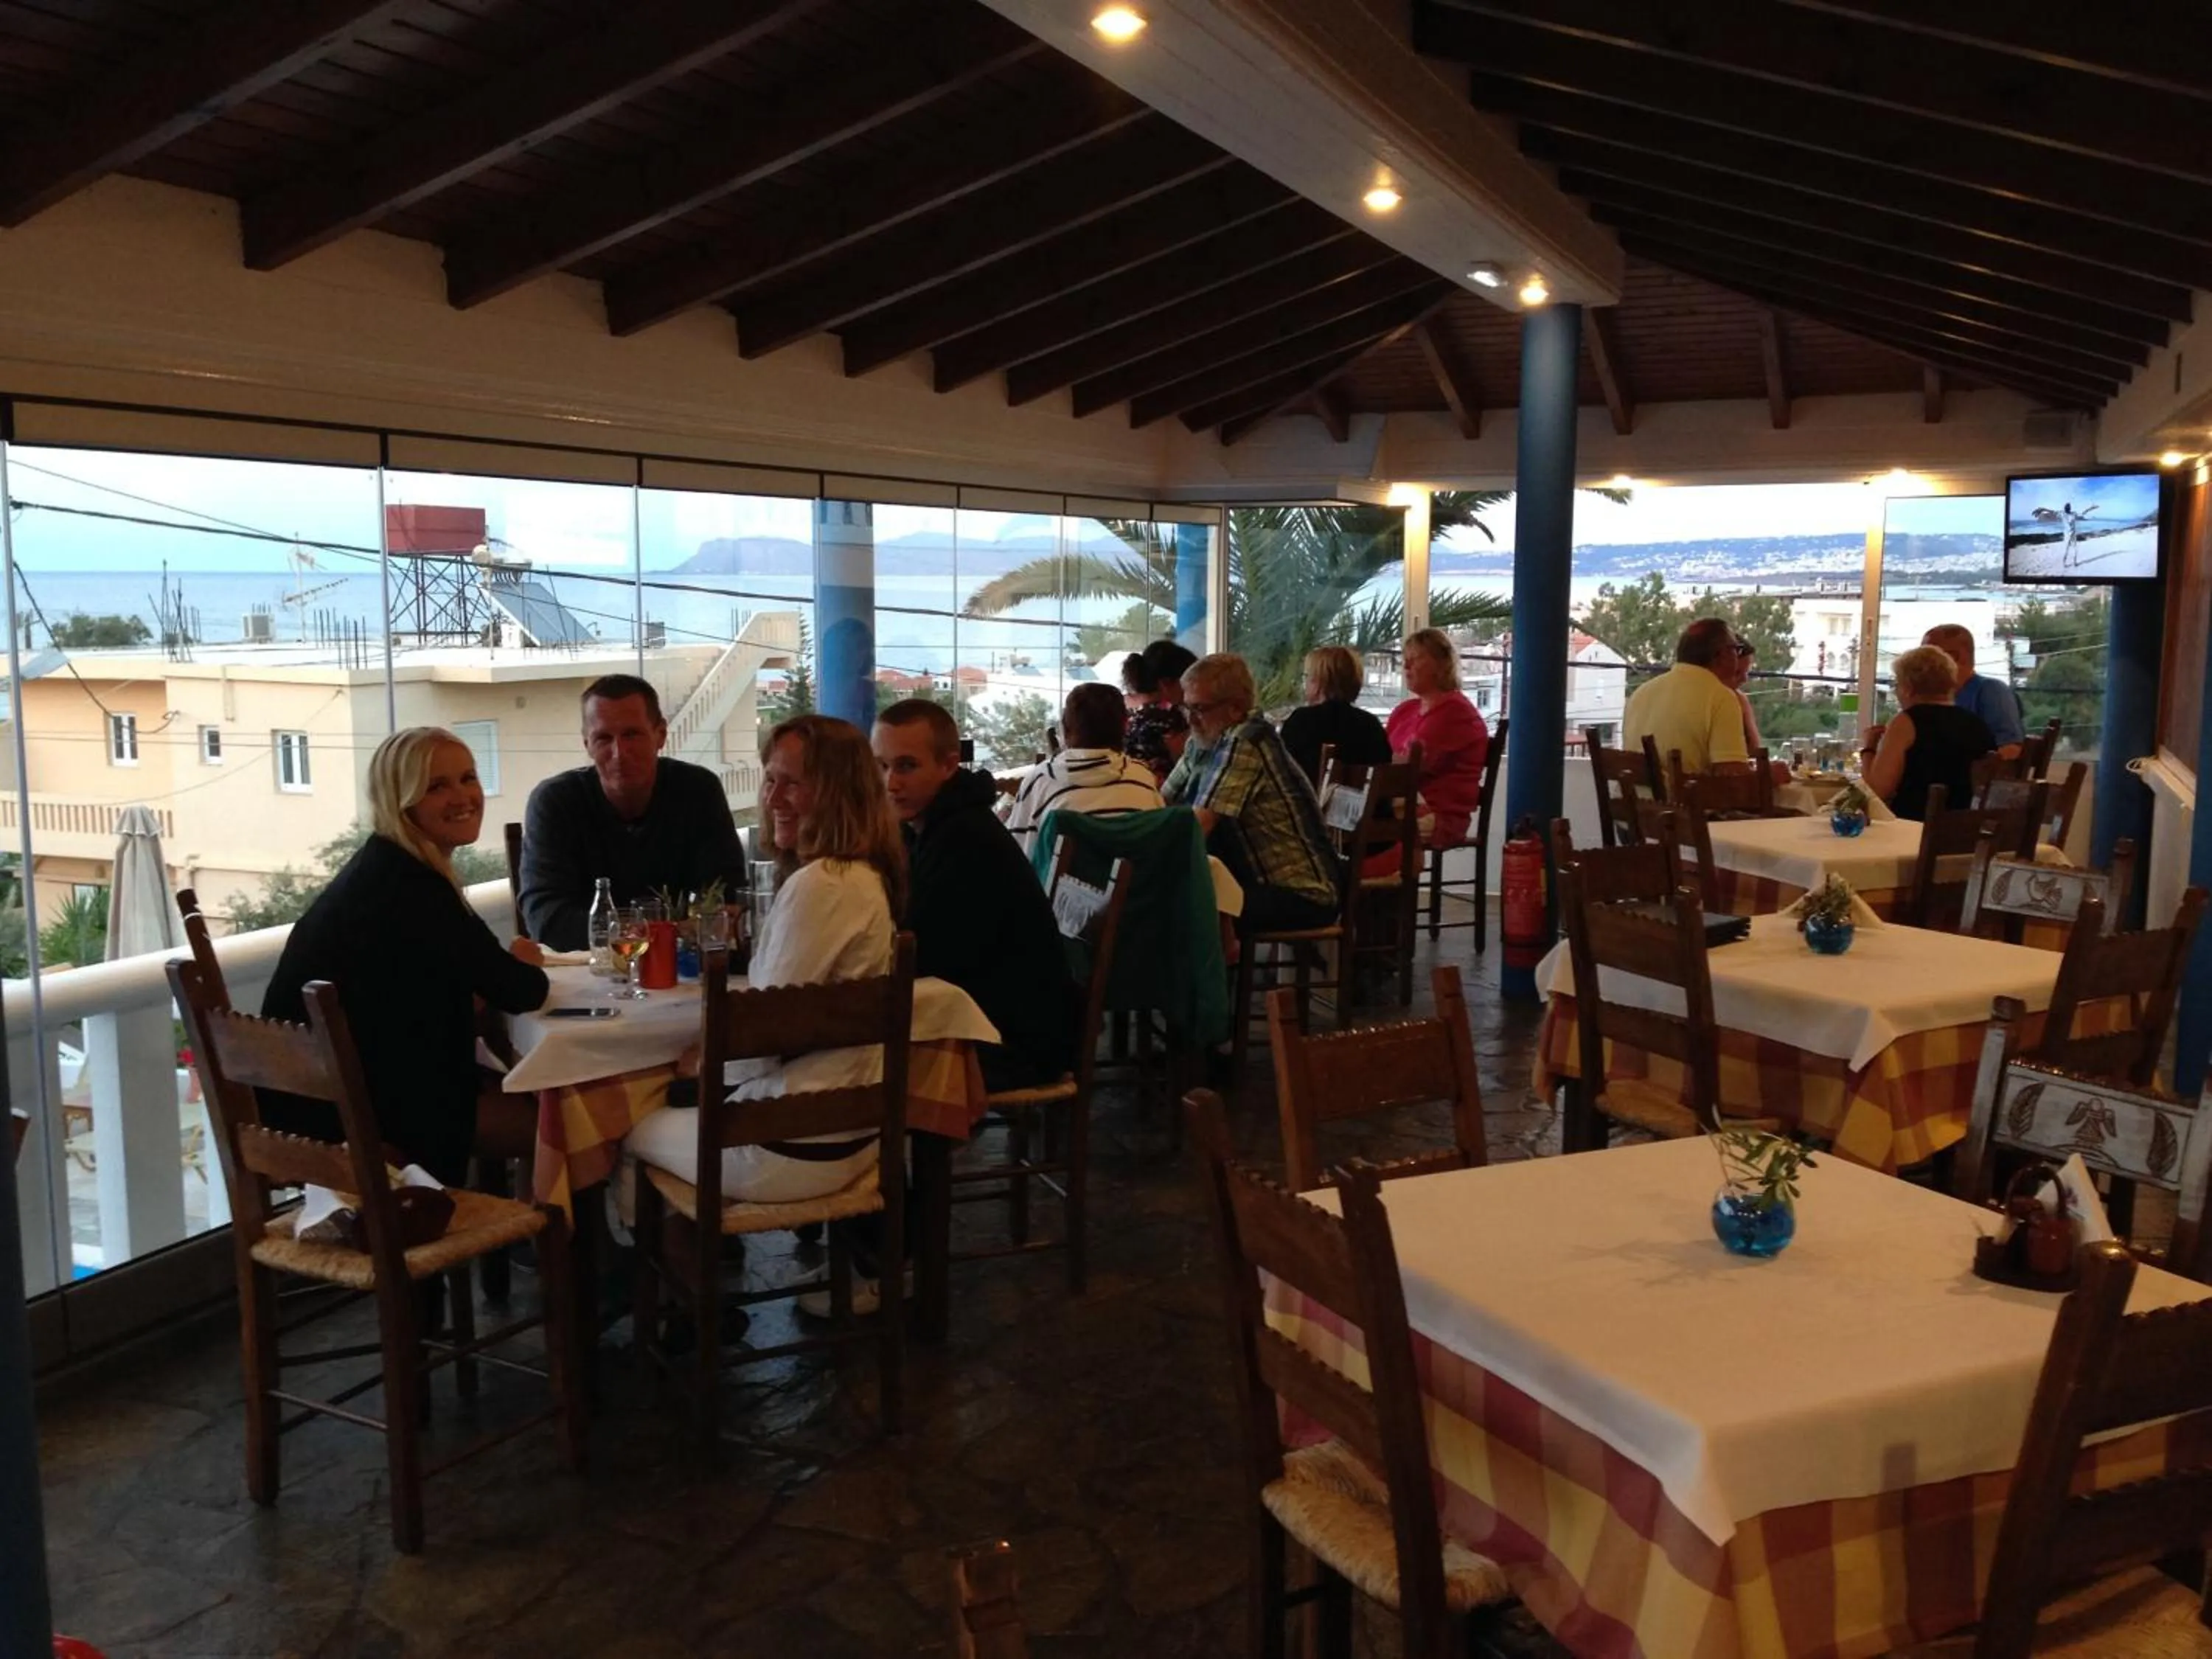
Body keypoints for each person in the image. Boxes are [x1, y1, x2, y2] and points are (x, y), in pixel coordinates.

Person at [625, 714, 905, 1208]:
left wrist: (706, 1059)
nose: (773, 798)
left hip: (790, 1143)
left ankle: (660, 1268)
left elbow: (759, 1041)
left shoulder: (822, 884)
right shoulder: (866, 876)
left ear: (839, 793)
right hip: (855, 1135)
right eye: (770, 779)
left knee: (623, 1124)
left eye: (792, 783)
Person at [261, 727, 548, 1185]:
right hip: (364, 1128)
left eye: (468, 778)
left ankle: (525, 1242)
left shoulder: (378, 868)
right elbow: (522, 990)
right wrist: (527, 962)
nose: (464, 796)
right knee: (568, 1124)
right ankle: (556, 1246)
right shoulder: (415, 888)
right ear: (402, 801)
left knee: (534, 1094)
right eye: (437, 786)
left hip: (314, 1112)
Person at [873, 698, 1078, 1092]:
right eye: (881, 766)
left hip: (1014, 1045)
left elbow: (926, 955)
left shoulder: (964, 838)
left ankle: (900, 1153)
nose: (890, 783)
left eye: (906, 766)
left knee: (853, 1064)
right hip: (989, 1023)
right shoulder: (924, 825)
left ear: (948, 766)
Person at [518, 673, 748, 950]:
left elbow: (727, 903)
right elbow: (547, 920)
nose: (619, 752)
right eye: (603, 738)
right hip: (592, 980)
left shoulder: (698, 791)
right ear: (587, 745)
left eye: (632, 735)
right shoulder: (556, 802)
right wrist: (663, 931)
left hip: (684, 974)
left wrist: (623, 931)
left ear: (660, 735)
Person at [1164, 653, 1340, 933]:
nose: (1191, 720)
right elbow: (1162, 802)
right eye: (1187, 708)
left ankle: (1210, 977)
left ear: (1235, 708)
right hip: (1253, 881)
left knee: (1177, 905)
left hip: (1301, 895)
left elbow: (1200, 825)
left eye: (1199, 709)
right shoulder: (1205, 741)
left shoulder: (1246, 741)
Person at [1001, 681, 1163, 849]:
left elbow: (1019, 855)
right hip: (1132, 874)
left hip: (1059, 875)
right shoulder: (1143, 778)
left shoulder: (1040, 780)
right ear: (1125, 726)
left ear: (1065, 728)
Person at [1863, 645, 1995, 821]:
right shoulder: (1976, 723)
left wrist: (1868, 749)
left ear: (1908, 688)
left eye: (1897, 684)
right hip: (1962, 830)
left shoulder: (1906, 723)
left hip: (1912, 827)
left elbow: (1878, 792)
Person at [1384, 627, 1489, 845]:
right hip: (1401, 804)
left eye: (1415, 659)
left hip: (1436, 815)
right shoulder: (1406, 710)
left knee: (1349, 823)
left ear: (1441, 664)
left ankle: (1386, 877)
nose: (1406, 667)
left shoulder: (1455, 713)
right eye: (1405, 660)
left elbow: (1409, 768)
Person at [1623, 618, 1755, 778]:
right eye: (1737, 650)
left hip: (1630, 801)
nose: (1737, 656)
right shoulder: (1720, 697)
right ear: (1722, 655)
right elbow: (1733, 779)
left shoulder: (1641, 693)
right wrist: (1769, 776)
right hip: (1681, 802)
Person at [1279, 645, 1391, 786]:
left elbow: (1282, 777)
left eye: (1306, 676)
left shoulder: (1300, 722)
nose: (1305, 683)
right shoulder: (1371, 725)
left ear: (1318, 680)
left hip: (1318, 807)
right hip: (1370, 807)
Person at [1921, 624, 2025, 755]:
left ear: (1956, 657)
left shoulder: (1992, 690)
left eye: (1927, 657)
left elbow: (2011, 749)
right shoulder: (1938, 697)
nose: (1921, 665)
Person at [1121, 639, 1196, 784]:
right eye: (1190, 681)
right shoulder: (1168, 717)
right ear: (1167, 683)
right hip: (1155, 796)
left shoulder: (1124, 708)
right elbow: (1185, 765)